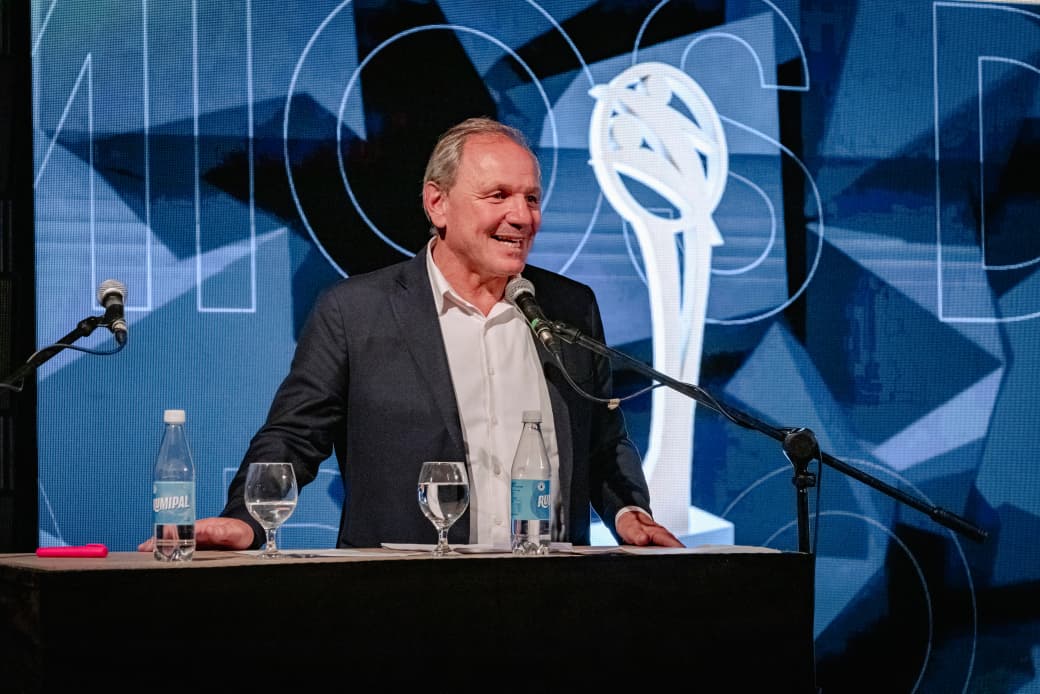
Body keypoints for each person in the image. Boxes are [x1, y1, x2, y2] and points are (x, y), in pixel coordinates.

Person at [138, 116, 682, 552]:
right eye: (498, 196)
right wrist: (245, 520)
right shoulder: (356, 311)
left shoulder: (570, 309)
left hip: (548, 599)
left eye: (532, 198)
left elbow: (603, 442)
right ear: (437, 203)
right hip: (401, 602)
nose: (522, 216)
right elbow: (293, 437)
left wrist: (629, 511)